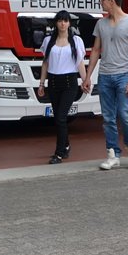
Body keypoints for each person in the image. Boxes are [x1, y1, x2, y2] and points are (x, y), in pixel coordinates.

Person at [82, 0, 128, 170]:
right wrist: (87, 76)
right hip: (105, 76)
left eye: (103, 0)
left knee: (125, 114)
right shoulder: (100, 24)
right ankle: (112, 154)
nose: (101, 2)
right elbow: (95, 51)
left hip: (124, 75)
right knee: (108, 118)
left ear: (112, 1)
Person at [38, 11, 87, 164]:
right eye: (60, 21)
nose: (63, 24)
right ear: (56, 23)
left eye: (65, 21)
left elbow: (79, 62)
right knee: (58, 118)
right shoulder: (48, 41)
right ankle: (65, 145)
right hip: (53, 82)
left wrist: (85, 80)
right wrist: (41, 83)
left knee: (61, 117)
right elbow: (45, 63)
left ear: (69, 23)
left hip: (69, 82)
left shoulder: (76, 41)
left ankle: (59, 153)